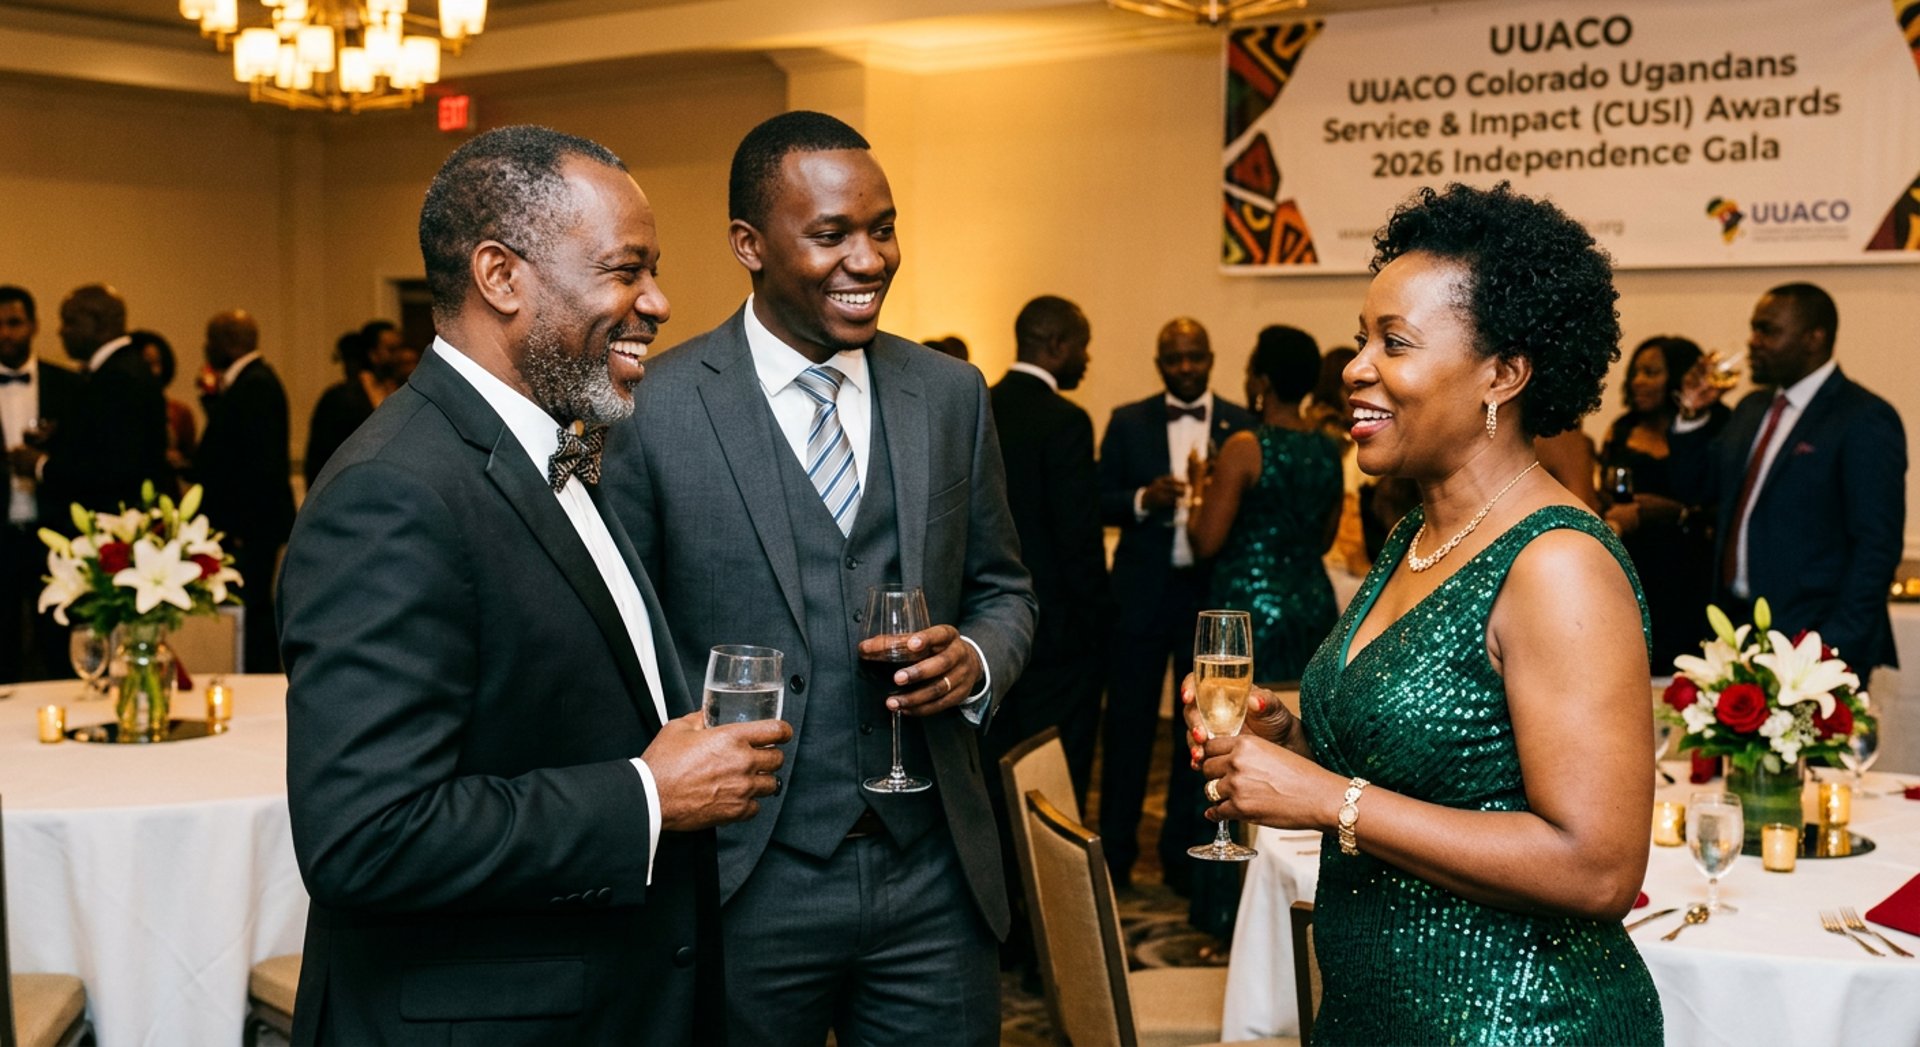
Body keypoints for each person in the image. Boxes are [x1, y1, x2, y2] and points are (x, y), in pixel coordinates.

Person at [278, 125, 789, 1044]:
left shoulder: (564, 447)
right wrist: (645, 794)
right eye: (624, 270)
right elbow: (364, 836)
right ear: (501, 277)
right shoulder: (393, 492)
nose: (659, 302)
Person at [1189, 183, 1662, 1043]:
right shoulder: (1419, 530)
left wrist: (1328, 796)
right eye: (1359, 340)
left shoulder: (1558, 562)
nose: (1356, 368)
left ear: (1504, 373)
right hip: (1380, 1008)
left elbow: (1598, 866)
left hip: (1515, 1019)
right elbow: (1437, 760)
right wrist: (1293, 741)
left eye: (1393, 344)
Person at [602, 111, 1035, 1047]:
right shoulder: (652, 408)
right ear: (748, 246)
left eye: (882, 229)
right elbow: (618, 639)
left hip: (934, 874)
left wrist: (976, 657)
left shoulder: (951, 394)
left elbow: (1006, 587)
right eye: (832, 234)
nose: (869, 259)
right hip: (744, 872)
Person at [1184, 324, 1341, 941]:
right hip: (1310, 606)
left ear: (1262, 380)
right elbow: (1325, 539)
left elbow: (1207, 541)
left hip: (1242, 620)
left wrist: (1200, 492)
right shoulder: (1330, 449)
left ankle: (1228, 911)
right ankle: (1291, 911)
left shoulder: (1246, 445)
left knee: (1227, 748)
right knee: (1297, 749)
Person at [1671, 283, 1906, 673]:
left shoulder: (1863, 417)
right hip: (1735, 632)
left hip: (1814, 641)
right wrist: (1693, 415)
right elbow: (1695, 488)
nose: (1753, 342)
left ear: (1814, 338)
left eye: (1768, 331)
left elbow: (1876, 546)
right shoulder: (1751, 407)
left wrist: (1835, 645)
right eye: (1754, 329)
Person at [1097, 316, 1255, 891]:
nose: (1185, 367)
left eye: (1195, 357)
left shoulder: (1243, 424)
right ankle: (1114, 857)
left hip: (1207, 602)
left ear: (1211, 358)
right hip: (1140, 595)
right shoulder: (1127, 421)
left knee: (1202, 735)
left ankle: (1186, 861)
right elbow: (1097, 497)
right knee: (1129, 728)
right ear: (1160, 364)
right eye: (1174, 359)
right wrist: (1143, 498)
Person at [984, 294, 1107, 978]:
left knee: (999, 778)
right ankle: (1052, 941)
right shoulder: (1065, 420)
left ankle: (1005, 928)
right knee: (1057, 789)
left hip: (994, 642)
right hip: (1060, 640)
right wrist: (1102, 624)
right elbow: (1077, 540)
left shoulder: (978, 406)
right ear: (1056, 343)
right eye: (1083, 344)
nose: (1087, 358)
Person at [1601, 336, 1727, 668]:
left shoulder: (1715, 427)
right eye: (1636, 371)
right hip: (1636, 561)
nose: (1638, 381)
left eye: (1651, 372)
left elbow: (1720, 501)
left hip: (1690, 568)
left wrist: (1674, 512)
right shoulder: (1622, 429)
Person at [191, 309, 295, 672]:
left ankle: (259, 679)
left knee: (252, 612)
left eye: (210, 339)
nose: (205, 347)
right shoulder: (248, 382)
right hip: (250, 525)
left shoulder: (256, 385)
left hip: (248, 528)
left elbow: (257, 464)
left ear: (228, 342)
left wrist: (235, 528)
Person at [16, 284, 172, 523]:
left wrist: (41, 465)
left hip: (118, 522)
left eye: (70, 322)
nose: (61, 331)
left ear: (100, 325)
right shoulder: (119, 370)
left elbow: (114, 468)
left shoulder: (119, 378)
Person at [0, 285, 83, 681]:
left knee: (57, 641)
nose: (6, 333)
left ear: (33, 325)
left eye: (14, 323)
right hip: (1, 533)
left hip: (52, 532)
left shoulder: (67, 385)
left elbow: (84, 460)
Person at [303, 321, 398, 489]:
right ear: (373, 354)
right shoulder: (339, 398)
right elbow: (320, 459)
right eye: (391, 350)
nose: (400, 356)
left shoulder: (403, 391)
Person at [131, 330, 197, 477]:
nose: (154, 371)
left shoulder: (179, 411)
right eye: (146, 363)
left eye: (157, 363)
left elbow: (191, 458)